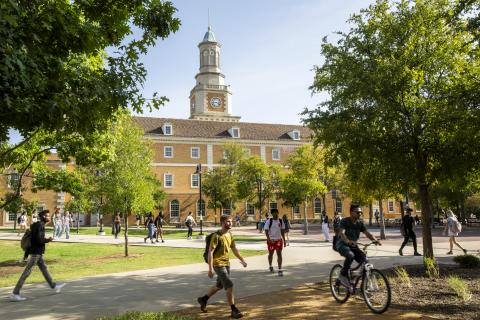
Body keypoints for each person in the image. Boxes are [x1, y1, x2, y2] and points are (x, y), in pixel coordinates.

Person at [197, 215, 247, 319]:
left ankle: (204, 299)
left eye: (231, 221)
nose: (230, 223)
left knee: (219, 286)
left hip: (226, 264)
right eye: (228, 222)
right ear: (223, 223)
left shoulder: (230, 235)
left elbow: (234, 249)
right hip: (218, 264)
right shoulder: (216, 236)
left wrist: (242, 260)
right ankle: (234, 310)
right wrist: (210, 269)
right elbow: (210, 253)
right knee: (229, 285)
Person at [10, 210, 66, 301]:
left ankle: (54, 286)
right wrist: (48, 239)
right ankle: (15, 293)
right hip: (36, 253)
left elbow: (36, 238)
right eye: (48, 216)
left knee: (44, 269)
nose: (49, 217)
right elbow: (39, 240)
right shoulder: (40, 225)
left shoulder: (37, 225)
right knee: (26, 273)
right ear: (43, 217)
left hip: (38, 253)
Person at [336, 204, 380, 288]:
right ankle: (343, 275)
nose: (360, 214)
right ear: (351, 212)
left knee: (365, 260)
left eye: (361, 212)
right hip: (342, 244)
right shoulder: (345, 221)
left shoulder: (360, 223)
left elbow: (368, 234)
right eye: (357, 212)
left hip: (353, 245)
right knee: (350, 255)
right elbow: (342, 233)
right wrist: (348, 241)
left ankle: (358, 278)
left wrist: (375, 240)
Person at [264, 208, 286, 276]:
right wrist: (268, 238)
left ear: (278, 213)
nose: (275, 214)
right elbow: (266, 230)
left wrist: (284, 240)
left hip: (279, 240)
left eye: (276, 213)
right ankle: (270, 266)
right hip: (271, 240)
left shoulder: (280, 221)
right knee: (271, 254)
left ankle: (280, 269)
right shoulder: (269, 221)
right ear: (272, 214)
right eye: (273, 213)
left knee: (279, 253)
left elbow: (282, 231)